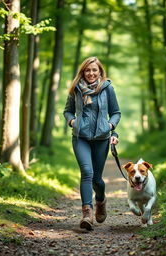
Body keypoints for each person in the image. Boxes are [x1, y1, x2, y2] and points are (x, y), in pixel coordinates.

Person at [63, 56, 121, 230]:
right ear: (83, 72)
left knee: (97, 179)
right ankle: (87, 213)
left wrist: (110, 126)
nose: (91, 73)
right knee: (86, 172)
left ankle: (101, 200)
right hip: (80, 137)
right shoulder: (75, 89)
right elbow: (67, 111)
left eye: (94, 70)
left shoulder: (107, 88)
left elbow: (116, 112)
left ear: (100, 72)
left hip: (101, 138)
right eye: (88, 70)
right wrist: (73, 122)